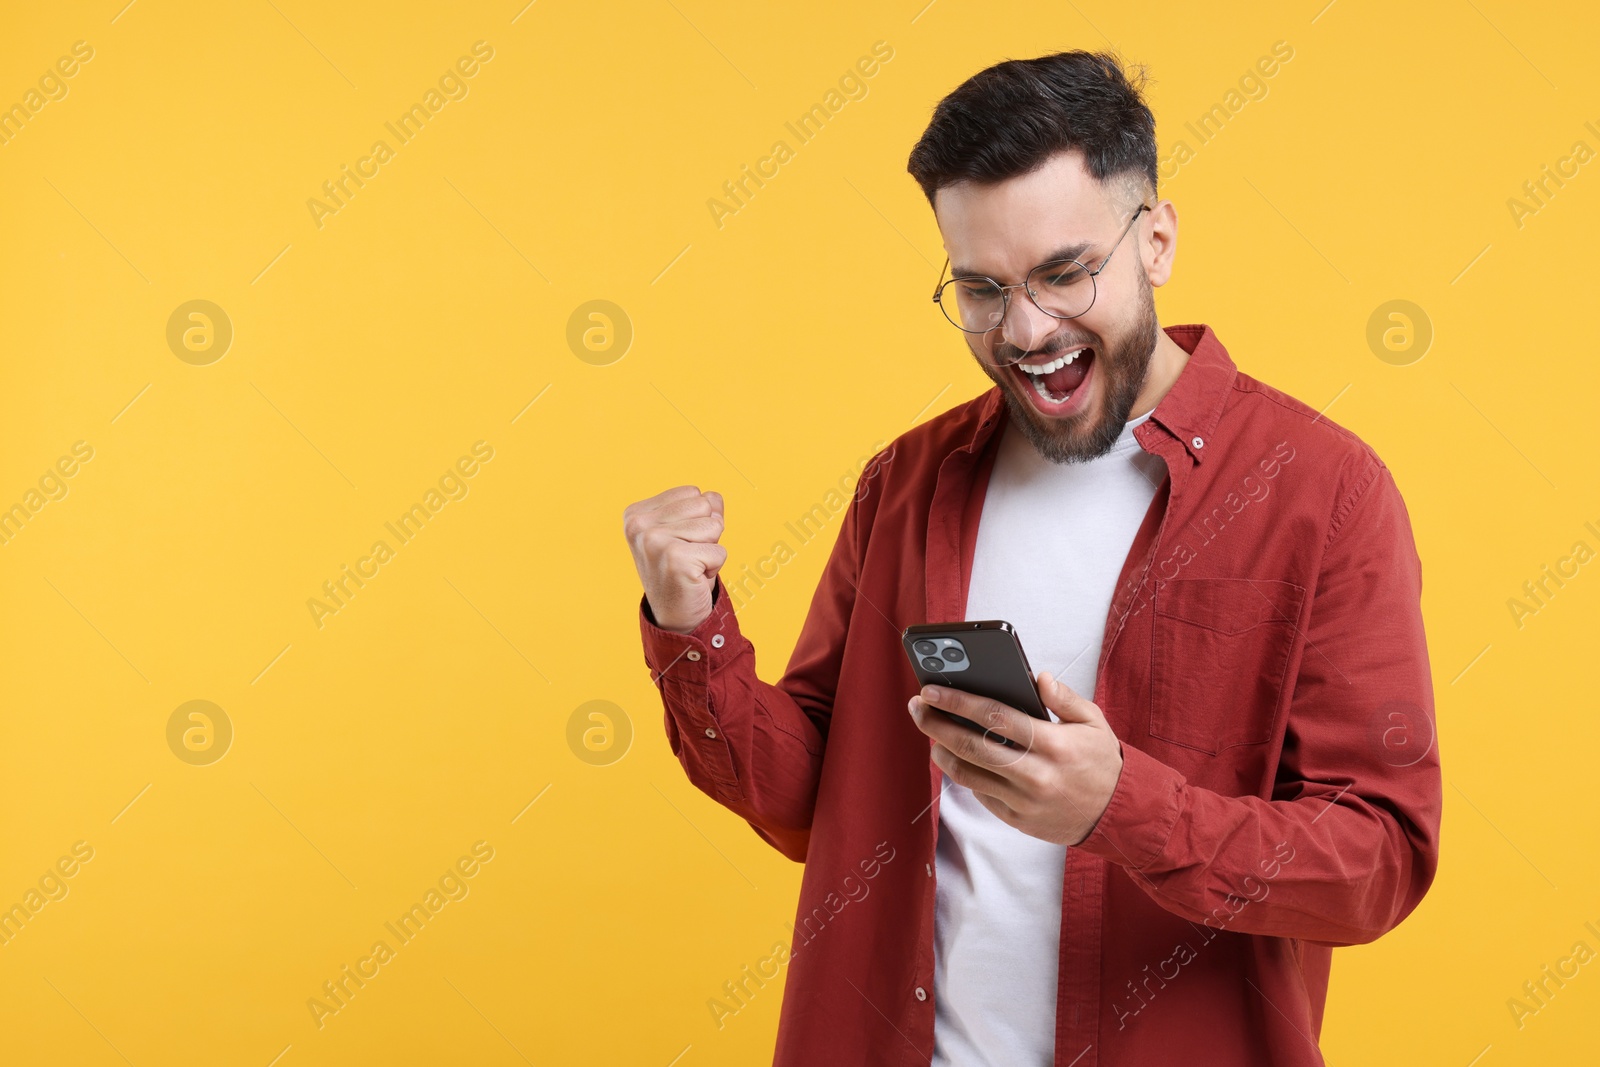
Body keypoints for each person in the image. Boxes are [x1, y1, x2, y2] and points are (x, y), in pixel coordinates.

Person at [622, 49, 1440, 1067]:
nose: (1025, 331)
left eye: (1064, 273)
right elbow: (818, 801)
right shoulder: (910, 482)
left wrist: (1122, 807)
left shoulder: (1323, 489)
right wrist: (688, 624)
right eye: (981, 289)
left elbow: (1378, 861)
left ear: (1156, 240)